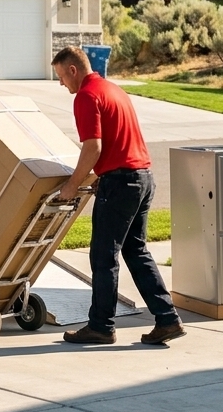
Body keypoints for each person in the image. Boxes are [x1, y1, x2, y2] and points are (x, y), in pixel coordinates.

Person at [52, 46, 185, 346]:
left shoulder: (86, 95)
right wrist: (102, 174)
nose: (61, 83)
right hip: (142, 177)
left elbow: (93, 147)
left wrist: (73, 184)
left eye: (61, 76)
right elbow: (116, 141)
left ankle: (100, 326)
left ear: (73, 70)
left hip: (121, 183)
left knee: (103, 256)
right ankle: (167, 319)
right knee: (136, 251)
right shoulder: (113, 89)